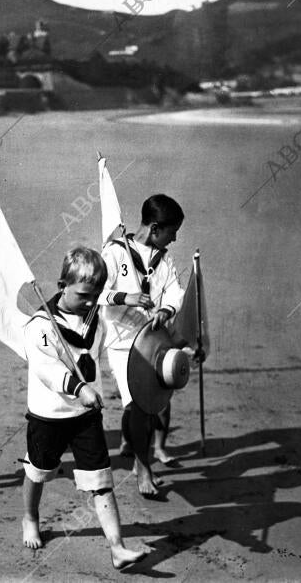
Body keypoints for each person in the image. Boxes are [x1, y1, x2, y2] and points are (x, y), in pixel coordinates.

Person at [21, 247, 145, 569]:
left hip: (85, 416)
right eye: (84, 295)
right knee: (39, 470)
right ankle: (30, 516)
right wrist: (78, 388)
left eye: (96, 295)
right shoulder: (40, 325)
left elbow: (103, 333)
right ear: (63, 284)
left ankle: (117, 547)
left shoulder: (95, 318)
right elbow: (47, 369)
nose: (91, 302)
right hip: (49, 415)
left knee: (100, 479)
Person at [99, 194, 185, 496]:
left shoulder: (165, 260)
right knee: (138, 405)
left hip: (152, 340)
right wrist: (127, 297)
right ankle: (142, 468)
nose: (174, 239)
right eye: (171, 232)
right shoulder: (114, 253)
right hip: (122, 345)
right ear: (154, 228)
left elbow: (176, 292)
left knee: (151, 403)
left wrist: (166, 310)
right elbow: (96, 293)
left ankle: (134, 445)